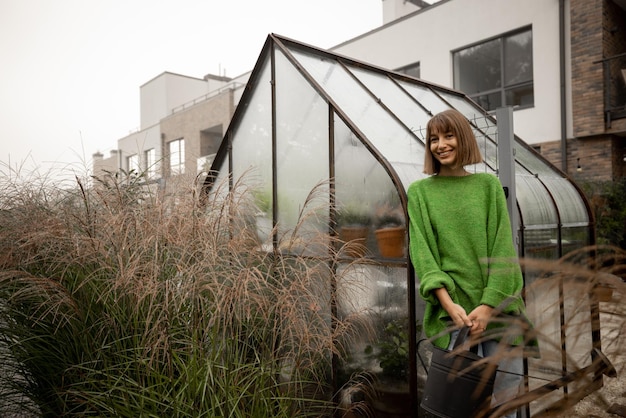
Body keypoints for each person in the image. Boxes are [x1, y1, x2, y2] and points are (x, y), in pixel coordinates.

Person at [408, 109, 535, 417]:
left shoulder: (487, 187)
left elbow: (503, 250)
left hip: (498, 309)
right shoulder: (420, 193)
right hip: (455, 315)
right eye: (434, 139)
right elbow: (423, 255)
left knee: (506, 401)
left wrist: (489, 307)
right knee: (456, 405)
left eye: (448, 136)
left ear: (463, 138)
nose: (441, 145)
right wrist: (450, 306)